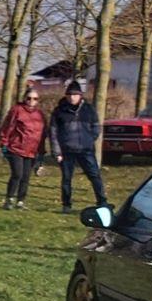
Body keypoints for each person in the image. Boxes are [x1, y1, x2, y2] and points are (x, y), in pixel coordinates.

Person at [50, 80, 108, 210]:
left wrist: (89, 140)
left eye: (75, 94)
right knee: (66, 179)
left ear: (80, 95)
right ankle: (66, 205)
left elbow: (96, 127)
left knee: (95, 176)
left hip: (86, 150)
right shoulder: (59, 111)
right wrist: (57, 152)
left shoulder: (89, 109)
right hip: (66, 150)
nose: (72, 97)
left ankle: (102, 201)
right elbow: (53, 133)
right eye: (69, 94)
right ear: (66, 95)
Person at [0, 91, 52, 210]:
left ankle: (21, 201)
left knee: (26, 177)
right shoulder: (17, 110)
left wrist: (42, 151)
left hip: (32, 150)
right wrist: (3, 143)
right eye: (29, 98)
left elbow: (42, 134)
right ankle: (9, 199)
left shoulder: (40, 114)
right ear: (24, 98)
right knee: (17, 174)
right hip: (16, 148)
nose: (32, 101)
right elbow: (7, 127)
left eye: (35, 99)